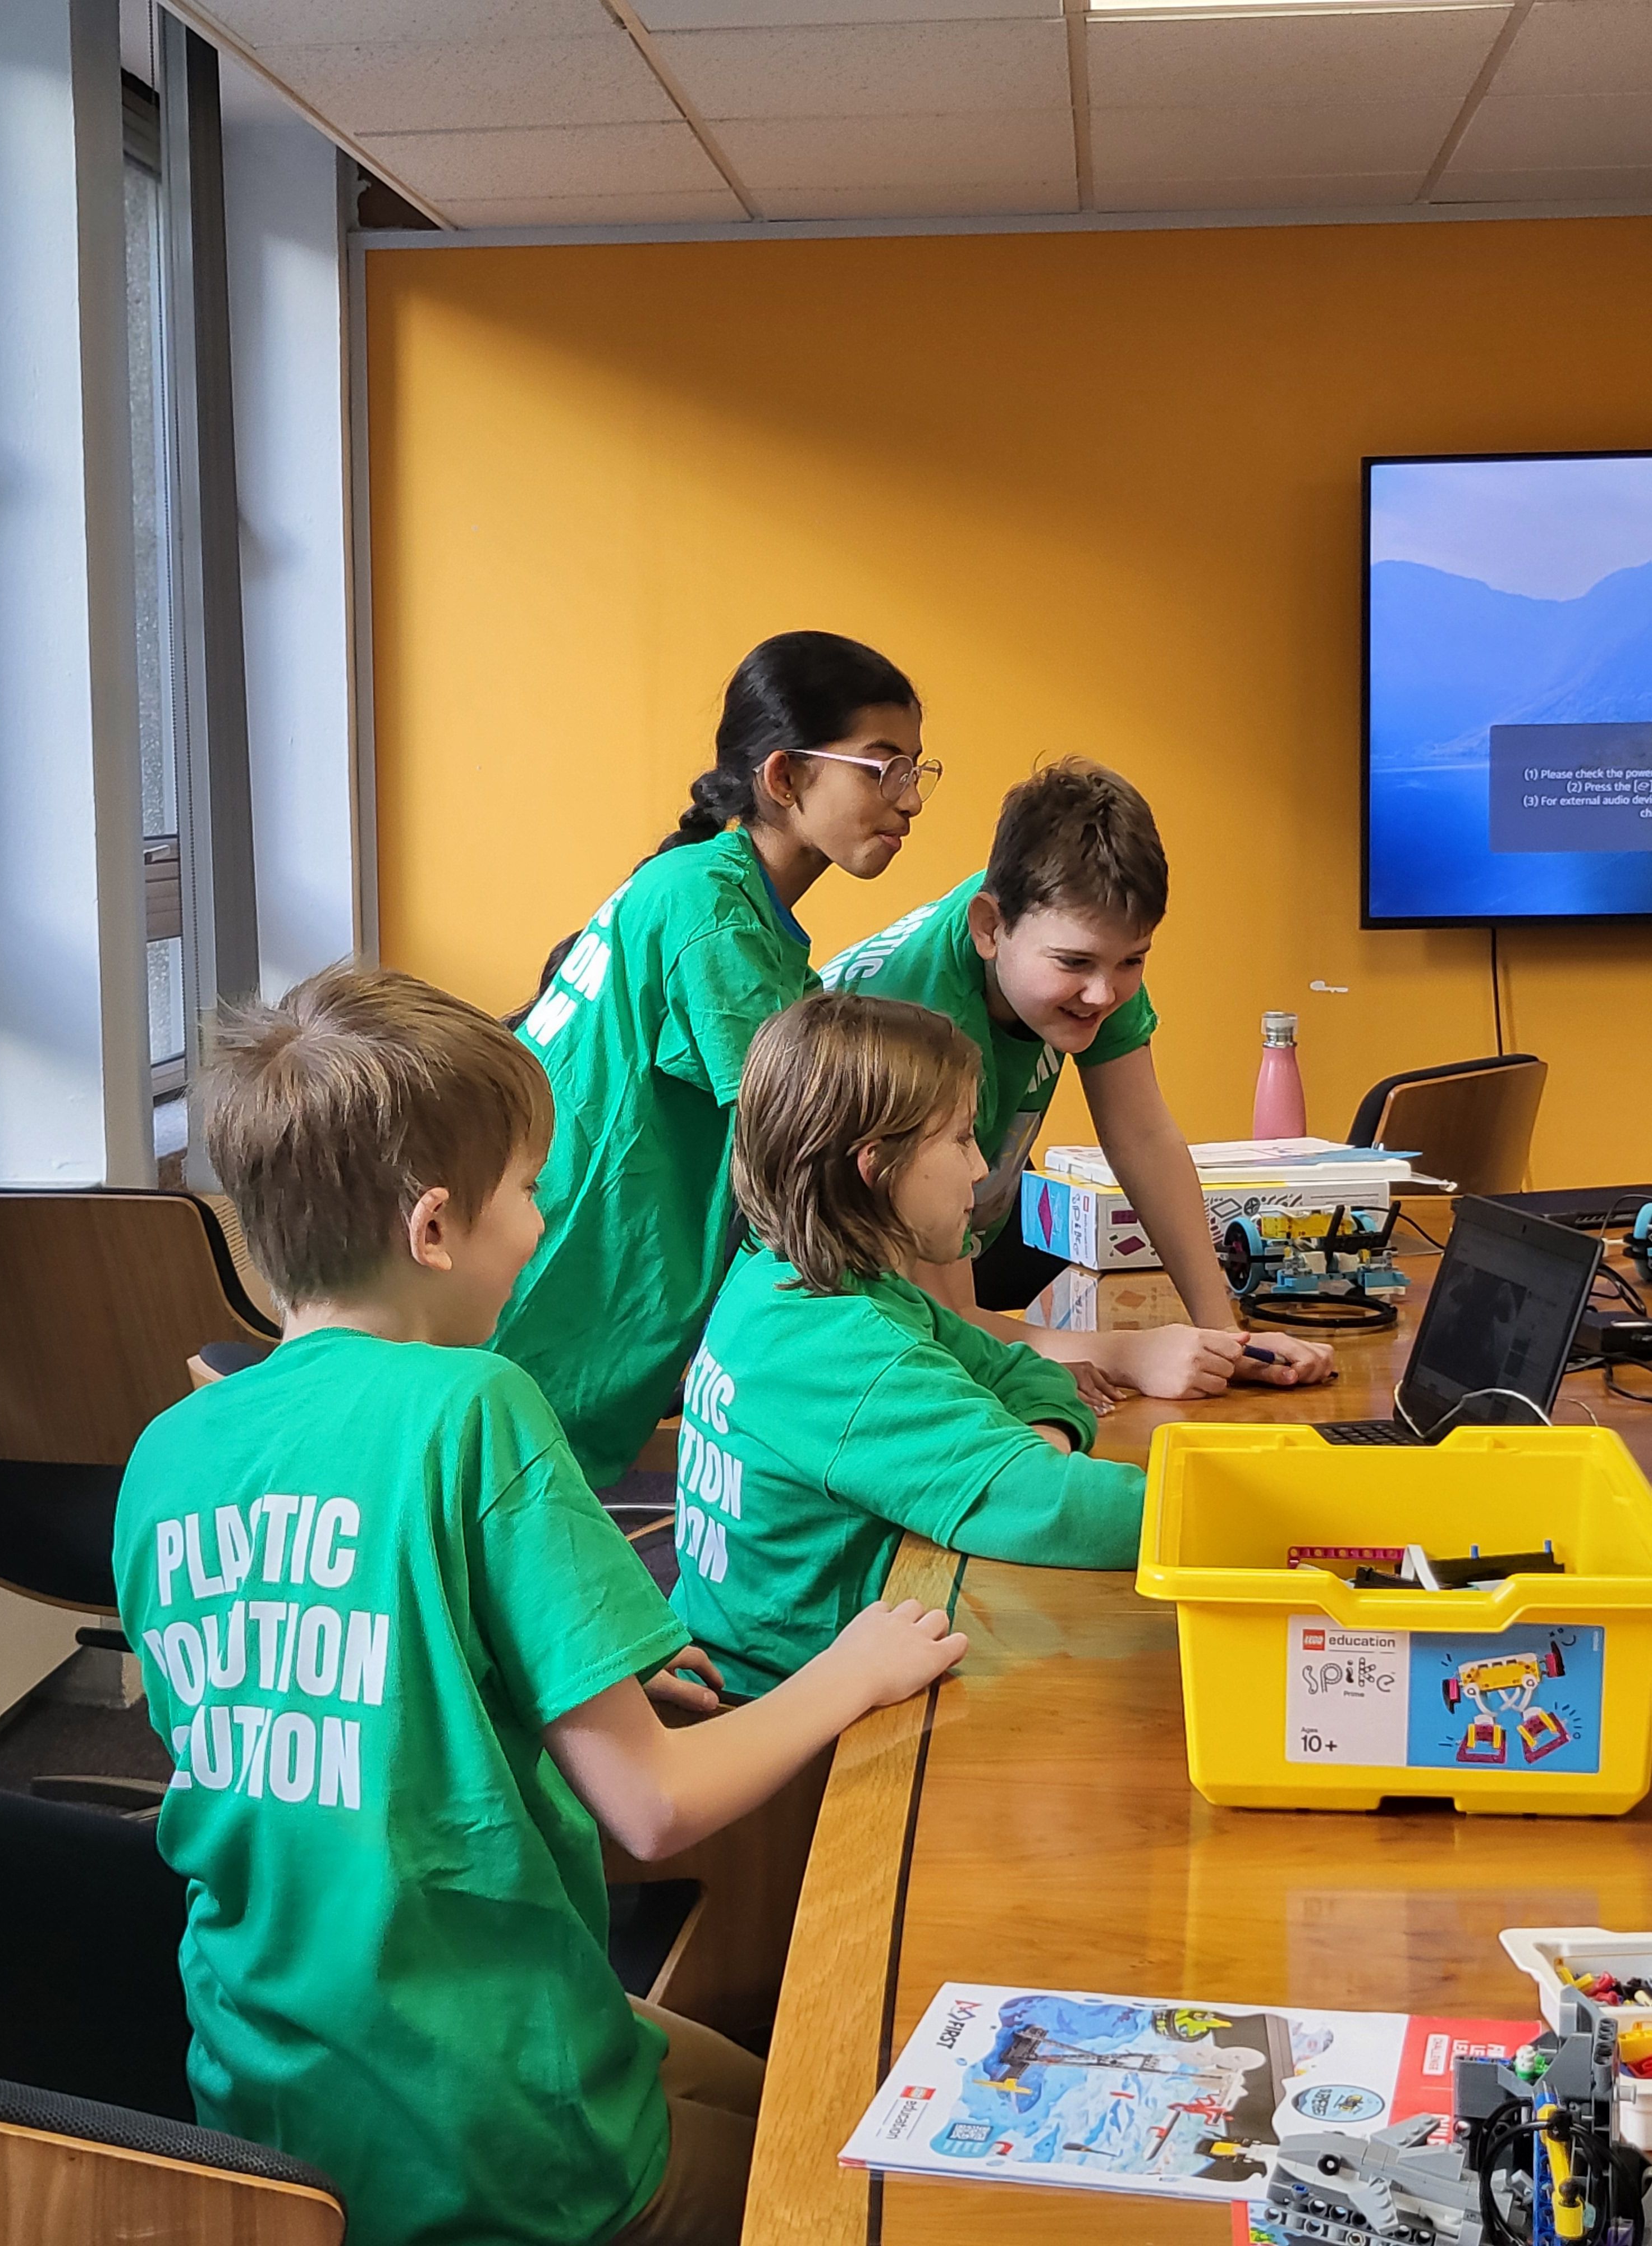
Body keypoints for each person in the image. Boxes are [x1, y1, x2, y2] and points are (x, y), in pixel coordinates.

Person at [112, 965, 965, 2246]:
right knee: (856, 2189)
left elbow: (330, 1707)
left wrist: (540, 1687)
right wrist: (851, 1668)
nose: (543, 1218)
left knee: (780, 2078)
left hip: (268, 2105)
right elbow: (651, 1803)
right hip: (487, 2141)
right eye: (527, 1188)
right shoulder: (475, 1404)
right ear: (436, 1228)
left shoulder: (166, 1449)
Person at [490, 630, 940, 1491]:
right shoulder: (713, 915)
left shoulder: (734, 913)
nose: (910, 799)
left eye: (917, 769)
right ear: (784, 777)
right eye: (882, 768)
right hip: (552, 1306)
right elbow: (796, 1166)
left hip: (569, 1302)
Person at [670, 991, 1146, 1699]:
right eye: (959, 1139)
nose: (982, 1168)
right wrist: (1263, 1513)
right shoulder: (844, 1344)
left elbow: (1024, 1373)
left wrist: (1039, 1436)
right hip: (783, 1723)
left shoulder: (788, 1281)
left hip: (761, 1677)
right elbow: (1061, 1509)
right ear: (875, 1165)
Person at [818, 760, 1334, 1403]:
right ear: (989, 927)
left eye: (1133, 960)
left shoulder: (1079, 965)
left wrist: (1222, 1337)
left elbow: (1144, 1137)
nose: (1104, 992)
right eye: (1075, 963)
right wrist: (1128, 1351)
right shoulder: (915, 1024)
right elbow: (941, 1327)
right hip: (842, 1324)